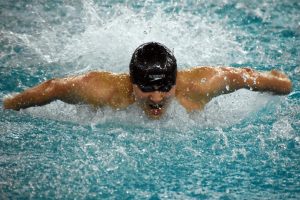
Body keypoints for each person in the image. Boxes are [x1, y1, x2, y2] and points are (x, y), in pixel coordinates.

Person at [3, 42, 292, 119]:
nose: (157, 98)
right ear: (131, 83)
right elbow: (53, 87)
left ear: (176, 81)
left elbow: (242, 77)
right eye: (147, 89)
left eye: (166, 87)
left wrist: (282, 84)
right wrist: (9, 105)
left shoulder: (201, 86)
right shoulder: (103, 90)